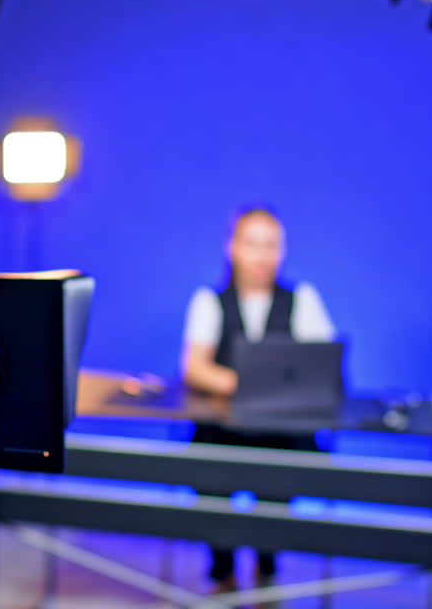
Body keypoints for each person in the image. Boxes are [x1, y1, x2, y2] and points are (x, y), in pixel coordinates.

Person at [181, 205, 336, 594]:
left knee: (279, 483)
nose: (261, 255)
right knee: (210, 478)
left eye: (271, 245)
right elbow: (195, 367)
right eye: (252, 243)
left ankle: (267, 570)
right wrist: (251, 385)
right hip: (222, 434)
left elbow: (323, 366)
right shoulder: (209, 302)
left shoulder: (302, 300)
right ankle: (222, 572)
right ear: (232, 248)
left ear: (282, 251)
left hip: (280, 436)